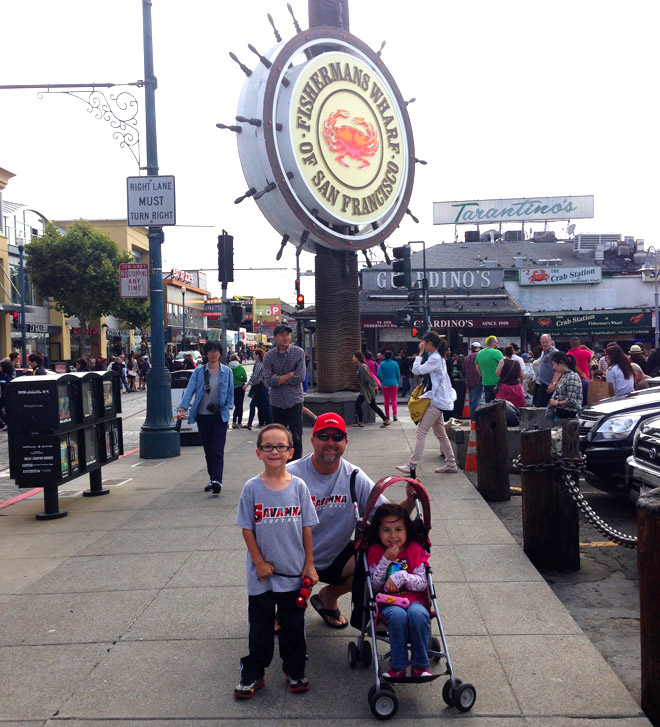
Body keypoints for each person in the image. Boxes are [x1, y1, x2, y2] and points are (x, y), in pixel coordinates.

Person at [287, 412, 417, 629]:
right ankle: (281, 605)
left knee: (373, 559)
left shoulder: (354, 476)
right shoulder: (291, 475)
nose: (330, 442)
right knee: (288, 620)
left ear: (346, 441)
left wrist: (411, 499)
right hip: (294, 560)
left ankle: (328, 596)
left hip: (333, 556)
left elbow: (390, 518)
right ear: (312, 440)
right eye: (324, 436)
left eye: (337, 437)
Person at [234, 423, 318, 699]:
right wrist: (258, 562)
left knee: (293, 626)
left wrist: (309, 564)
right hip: (261, 577)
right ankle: (254, 672)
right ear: (258, 453)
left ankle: (294, 670)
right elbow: (247, 528)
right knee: (260, 626)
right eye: (267, 446)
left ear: (290, 452)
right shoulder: (252, 488)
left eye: (280, 446)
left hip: (293, 573)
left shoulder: (300, 487)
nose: (274, 451)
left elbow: (307, 527)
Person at [366, 503, 431, 679]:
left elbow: (422, 583)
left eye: (398, 529)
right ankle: (398, 666)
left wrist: (402, 576)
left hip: (415, 600)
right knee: (398, 616)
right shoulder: (375, 551)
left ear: (406, 531)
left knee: (419, 615)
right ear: (378, 533)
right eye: (386, 530)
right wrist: (385, 560)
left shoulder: (414, 549)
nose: (393, 536)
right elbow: (374, 585)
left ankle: (420, 666)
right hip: (387, 602)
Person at [396, 332, 457, 475]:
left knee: (422, 431)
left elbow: (417, 370)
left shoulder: (435, 358)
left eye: (424, 342)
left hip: (437, 400)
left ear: (430, 343)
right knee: (441, 434)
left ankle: (412, 464)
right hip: (439, 399)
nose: (422, 344)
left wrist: (420, 353)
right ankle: (451, 463)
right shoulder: (438, 357)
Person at [177, 341, 234, 494]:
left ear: (220, 353)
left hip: (220, 415)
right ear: (206, 354)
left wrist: (228, 406)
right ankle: (212, 478)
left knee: (217, 449)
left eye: (216, 351)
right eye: (210, 352)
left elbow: (230, 392)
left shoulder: (227, 372)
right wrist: (182, 408)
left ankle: (217, 480)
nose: (213, 354)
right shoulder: (199, 372)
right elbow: (190, 390)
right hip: (203, 415)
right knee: (208, 450)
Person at [263, 325, 306, 461]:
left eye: (287, 335)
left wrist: (279, 378)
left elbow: (299, 377)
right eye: (281, 335)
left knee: (296, 437)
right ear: (275, 337)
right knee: (279, 438)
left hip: (294, 400)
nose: (285, 338)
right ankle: (282, 465)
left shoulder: (298, 352)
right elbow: (269, 381)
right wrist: (289, 375)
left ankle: (297, 466)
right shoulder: (269, 356)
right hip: (276, 401)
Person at [352, 351, 389, 428]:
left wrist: (375, 384)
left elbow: (368, 377)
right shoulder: (360, 366)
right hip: (365, 389)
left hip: (368, 390)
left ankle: (361, 422)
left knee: (364, 404)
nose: (352, 359)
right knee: (370, 405)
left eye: (353, 357)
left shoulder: (362, 367)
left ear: (357, 358)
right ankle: (385, 420)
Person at [548, 352, 583, 419]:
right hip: (561, 413)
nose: (553, 367)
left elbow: (571, 401)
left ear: (561, 363)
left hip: (569, 415)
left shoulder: (572, 376)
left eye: (554, 364)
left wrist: (557, 403)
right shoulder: (564, 375)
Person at [244, 348, 268, 430]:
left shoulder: (259, 364)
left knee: (258, 405)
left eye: (254, 354)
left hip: (259, 387)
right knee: (263, 405)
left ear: (258, 355)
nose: (253, 356)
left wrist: (248, 384)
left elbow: (255, 376)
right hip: (262, 386)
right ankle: (265, 422)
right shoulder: (262, 363)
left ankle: (251, 423)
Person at [475, 335, 503, 403]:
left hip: (486, 382)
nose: (497, 344)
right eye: (497, 342)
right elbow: (504, 365)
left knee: (488, 405)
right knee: (499, 405)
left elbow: (477, 368)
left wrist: (483, 375)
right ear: (493, 343)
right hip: (497, 382)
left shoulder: (479, 353)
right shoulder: (497, 352)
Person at [533, 334, 557, 408]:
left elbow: (559, 370)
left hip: (550, 386)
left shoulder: (555, 353)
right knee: (540, 409)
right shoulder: (543, 352)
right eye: (543, 343)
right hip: (542, 385)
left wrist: (553, 383)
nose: (545, 344)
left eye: (546, 342)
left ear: (551, 341)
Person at [377, 350, 401, 422]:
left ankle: (387, 416)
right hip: (394, 383)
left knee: (386, 400)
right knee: (394, 400)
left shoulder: (382, 364)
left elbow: (378, 374)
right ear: (391, 356)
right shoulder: (395, 363)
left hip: (385, 384)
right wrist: (397, 381)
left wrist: (382, 380)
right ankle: (395, 415)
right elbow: (398, 374)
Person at [462, 342, 482, 419]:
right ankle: (475, 420)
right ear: (477, 348)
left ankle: (472, 419)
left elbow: (463, 369)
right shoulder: (479, 356)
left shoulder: (467, 357)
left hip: (469, 382)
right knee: (476, 401)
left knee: (471, 401)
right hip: (477, 380)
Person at [229, 353, 248, 429]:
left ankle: (233, 421)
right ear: (237, 359)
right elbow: (245, 379)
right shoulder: (240, 368)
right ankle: (239, 422)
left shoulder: (228, 367)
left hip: (231, 388)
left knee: (235, 405)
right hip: (240, 388)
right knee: (240, 405)